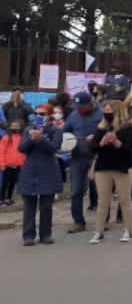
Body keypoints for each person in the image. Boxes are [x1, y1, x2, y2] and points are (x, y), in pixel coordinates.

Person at [89, 100, 132, 244]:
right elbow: (92, 148)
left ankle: (128, 230)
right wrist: (101, 143)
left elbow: (129, 150)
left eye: (110, 110)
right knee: (102, 201)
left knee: (125, 200)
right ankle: (99, 231)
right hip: (103, 168)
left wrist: (117, 143)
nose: (107, 113)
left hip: (122, 168)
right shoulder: (101, 127)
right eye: (105, 111)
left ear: (117, 111)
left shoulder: (127, 128)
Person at [18, 114, 63, 246]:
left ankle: (45, 235)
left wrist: (41, 138)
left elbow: (53, 148)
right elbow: (22, 148)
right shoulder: (28, 130)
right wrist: (32, 139)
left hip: (48, 170)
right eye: (38, 114)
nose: (41, 117)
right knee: (29, 207)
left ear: (49, 117)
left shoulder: (56, 131)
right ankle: (28, 236)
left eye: (43, 114)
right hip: (30, 171)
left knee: (46, 207)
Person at [64, 92, 103, 233]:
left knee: (100, 190)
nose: (79, 109)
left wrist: (97, 137)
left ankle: (102, 220)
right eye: (77, 106)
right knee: (76, 191)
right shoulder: (73, 115)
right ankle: (78, 222)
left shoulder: (101, 114)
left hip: (97, 157)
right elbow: (64, 132)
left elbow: (110, 132)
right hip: (77, 157)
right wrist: (71, 139)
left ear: (90, 103)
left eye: (82, 106)